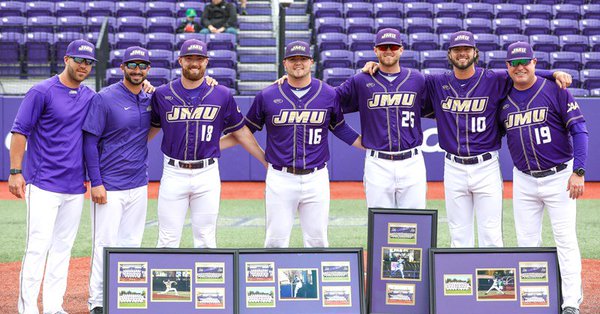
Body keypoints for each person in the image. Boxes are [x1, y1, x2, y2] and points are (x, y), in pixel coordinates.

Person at [364, 30, 572, 248]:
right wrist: (377, 68)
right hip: (453, 166)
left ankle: (490, 281)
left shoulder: (494, 78)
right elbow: (403, 79)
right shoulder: (436, 82)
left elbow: (522, 72)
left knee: (490, 235)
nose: (462, 54)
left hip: (486, 165)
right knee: (459, 234)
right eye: (457, 50)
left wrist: (552, 73)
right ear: (450, 54)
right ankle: (460, 281)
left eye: (466, 49)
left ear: (475, 53)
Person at [241, 41, 363, 248]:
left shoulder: (328, 93)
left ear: (311, 62)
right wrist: (263, 157)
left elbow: (340, 127)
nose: (298, 63)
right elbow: (245, 130)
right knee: (275, 241)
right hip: (280, 177)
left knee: (318, 241)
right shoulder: (267, 95)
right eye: (293, 60)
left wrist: (369, 144)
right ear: (285, 64)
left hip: (317, 177)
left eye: (303, 59)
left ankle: (317, 281)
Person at [8, 39, 97, 314]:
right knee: (37, 248)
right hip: (43, 183)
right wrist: (15, 172)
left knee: (62, 250)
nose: (83, 66)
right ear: (66, 59)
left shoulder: (90, 96)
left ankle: (54, 307)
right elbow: (19, 132)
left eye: (89, 62)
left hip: (74, 186)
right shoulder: (41, 91)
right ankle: (28, 309)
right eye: (79, 60)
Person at [151, 39, 266, 248]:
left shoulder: (221, 94)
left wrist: (267, 161)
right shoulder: (162, 94)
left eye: (199, 59)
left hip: (207, 174)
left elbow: (241, 132)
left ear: (206, 62)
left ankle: (207, 282)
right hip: (173, 172)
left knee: (205, 239)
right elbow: (149, 129)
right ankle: (165, 282)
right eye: (189, 59)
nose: (194, 63)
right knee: (167, 240)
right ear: (180, 61)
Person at [500, 41, 587, 314]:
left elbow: (580, 132)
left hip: (559, 176)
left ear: (535, 62)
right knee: (526, 242)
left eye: (525, 61)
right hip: (523, 179)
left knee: (565, 240)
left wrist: (579, 171)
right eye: (514, 63)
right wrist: (551, 71)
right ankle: (534, 299)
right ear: (507, 67)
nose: (520, 67)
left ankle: (571, 302)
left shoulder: (556, 90)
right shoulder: (503, 97)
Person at [83, 46, 153, 314]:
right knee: (104, 243)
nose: (137, 70)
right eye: (132, 65)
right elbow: (89, 143)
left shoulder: (149, 97)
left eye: (142, 66)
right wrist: (96, 182)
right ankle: (98, 301)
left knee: (131, 243)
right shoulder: (105, 98)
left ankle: (124, 295)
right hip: (109, 184)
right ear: (122, 67)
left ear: (148, 69)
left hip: (138, 182)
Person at [337, 28, 428, 209]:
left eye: (393, 46)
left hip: (412, 162)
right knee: (380, 223)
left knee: (413, 224)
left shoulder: (417, 79)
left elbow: (442, 106)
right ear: (375, 50)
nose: (388, 50)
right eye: (383, 47)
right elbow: (325, 102)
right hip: (377, 163)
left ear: (401, 49)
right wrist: (293, 82)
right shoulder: (361, 81)